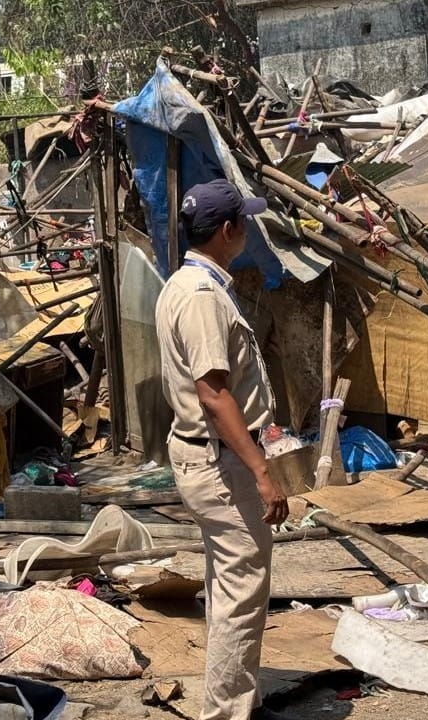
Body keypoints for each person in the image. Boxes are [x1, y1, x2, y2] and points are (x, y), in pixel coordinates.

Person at [154, 178, 290, 720]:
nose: (247, 230)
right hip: (220, 461)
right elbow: (214, 394)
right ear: (229, 230)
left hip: (207, 454)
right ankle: (227, 712)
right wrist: (262, 471)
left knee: (228, 583)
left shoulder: (185, 283)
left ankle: (237, 699)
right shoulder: (202, 297)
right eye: (245, 222)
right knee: (242, 588)